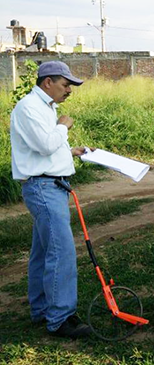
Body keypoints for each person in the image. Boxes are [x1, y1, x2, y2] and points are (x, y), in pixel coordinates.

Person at [10, 61, 93, 338]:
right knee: (61, 252)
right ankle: (60, 318)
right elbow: (46, 144)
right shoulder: (29, 108)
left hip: (50, 185)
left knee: (44, 252)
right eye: (65, 84)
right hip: (43, 188)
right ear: (48, 82)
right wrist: (63, 127)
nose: (69, 90)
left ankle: (42, 309)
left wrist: (70, 151)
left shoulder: (45, 107)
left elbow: (44, 149)